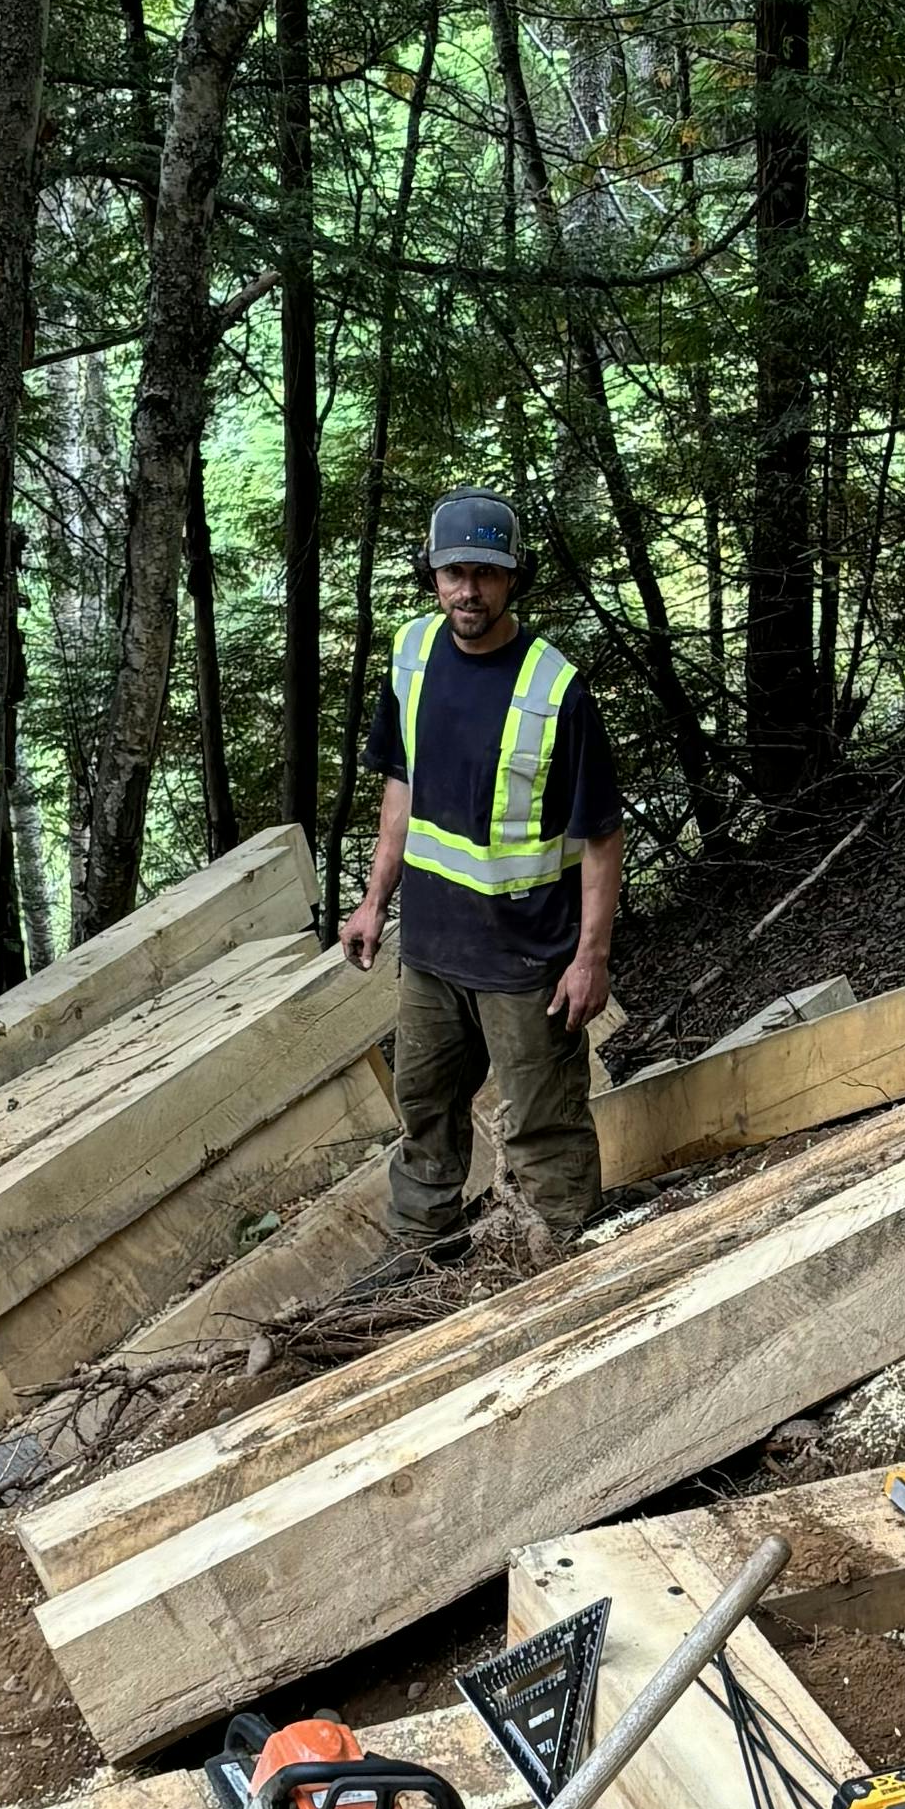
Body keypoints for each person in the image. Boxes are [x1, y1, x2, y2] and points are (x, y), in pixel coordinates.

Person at [339, 490, 624, 1252]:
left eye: (486, 575)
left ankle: (561, 1260)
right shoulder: (412, 656)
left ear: (513, 579)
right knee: (424, 1109)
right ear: (432, 576)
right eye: (454, 572)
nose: (469, 590)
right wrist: (374, 901)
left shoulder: (555, 689)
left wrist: (590, 958)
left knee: (542, 1125)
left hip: (527, 962)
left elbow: (600, 836)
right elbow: (400, 782)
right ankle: (418, 1259)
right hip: (433, 952)